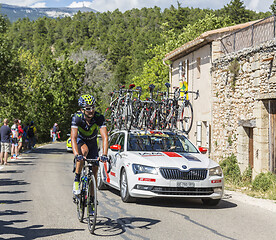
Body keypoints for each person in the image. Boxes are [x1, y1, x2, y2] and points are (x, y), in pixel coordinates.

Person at [71, 94, 108, 213]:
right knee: (83, 151)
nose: (91, 110)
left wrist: (105, 155)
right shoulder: (77, 118)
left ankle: (92, 200)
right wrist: (77, 154)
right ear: (82, 109)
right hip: (80, 141)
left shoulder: (99, 117)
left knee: (95, 171)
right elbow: (73, 137)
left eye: (92, 107)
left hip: (93, 144)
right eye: (88, 108)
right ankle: (77, 180)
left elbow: (105, 137)